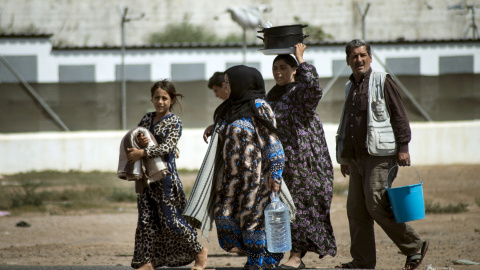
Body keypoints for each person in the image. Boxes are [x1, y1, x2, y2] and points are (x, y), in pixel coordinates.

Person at [335, 39, 428, 270]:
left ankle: (413, 247)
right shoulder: (349, 87)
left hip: (380, 156)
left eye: (363, 55)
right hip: (356, 159)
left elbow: (399, 114)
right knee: (356, 210)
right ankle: (363, 262)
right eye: (354, 56)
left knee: (376, 204)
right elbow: (348, 123)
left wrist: (404, 147)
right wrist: (345, 157)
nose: (359, 60)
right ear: (348, 61)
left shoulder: (382, 80)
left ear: (370, 57)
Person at [264, 43, 337, 269]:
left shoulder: (300, 93)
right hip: (282, 161)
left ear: (294, 70)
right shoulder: (271, 96)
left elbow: (314, 88)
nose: (278, 72)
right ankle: (285, 253)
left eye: (284, 67)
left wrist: (301, 58)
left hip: (306, 162)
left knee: (302, 206)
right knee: (283, 205)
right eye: (275, 67)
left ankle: (296, 256)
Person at [125, 79, 208, 270]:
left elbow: (167, 147)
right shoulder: (146, 118)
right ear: (151, 99)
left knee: (171, 221)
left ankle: (199, 252)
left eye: (164, 98)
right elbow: (135, 136)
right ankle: (148, 262)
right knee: (147, 221)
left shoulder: (175, 122)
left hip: (165, 180)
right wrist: (139, 141)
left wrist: (144, 152)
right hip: (146, 179)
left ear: (171, 100)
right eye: (156, 98)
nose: (160, 102)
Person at [212, 65, 286, 269]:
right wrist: (215, 128)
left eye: (228, 82)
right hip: (230, 181)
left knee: (254, 222)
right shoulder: (229, 108)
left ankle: (260, 263)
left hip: (256, 180)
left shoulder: (259, 106)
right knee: (227, 218)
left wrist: (275, 174)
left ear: (240, 83)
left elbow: (272, 141)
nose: (225, 85)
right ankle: (255, 260)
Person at [204, 71, 231, 143]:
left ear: (224, 86)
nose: (216, 95)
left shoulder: (240, 106)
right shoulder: (225, 107)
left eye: (216, 91)